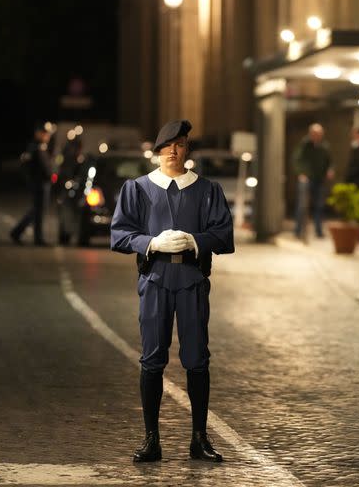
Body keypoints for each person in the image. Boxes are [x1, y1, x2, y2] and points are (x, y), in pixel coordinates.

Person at [110, 119, 234, 463]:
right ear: (158, 150)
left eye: (179, 145)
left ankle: (199, 438)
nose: (172, 152)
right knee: (152, 359)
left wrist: (197, 240)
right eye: (166, 146)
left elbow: (224, 236)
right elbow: (119, 235)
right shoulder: (137, 189)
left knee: (197, 360)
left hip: (192, 279)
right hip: (155, 279)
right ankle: (152, 439)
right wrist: (150, 242)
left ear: (187, 149)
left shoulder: (207, 190)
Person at [10, 123, 53, 246]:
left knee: (37, 211)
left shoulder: (40, 147)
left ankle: (20, 233)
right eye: (45, 133)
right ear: (38, 133)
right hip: (39, 183)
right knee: (37, 211)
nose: (47, 136)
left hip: (41, 183)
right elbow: (32, 166)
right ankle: (32, 236)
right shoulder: (35, 147)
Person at [293, 123, 334, 238]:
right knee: (302, 205)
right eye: (315, 134)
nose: (318, 136)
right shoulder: (304, 145)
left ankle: (319, 230)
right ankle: (298, 230)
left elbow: (329, 161)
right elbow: (297, 160)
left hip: (319, 179)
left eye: (320, 134)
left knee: (320, 205)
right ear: (311, 133)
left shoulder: (324, 146)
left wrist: (330, 170)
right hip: (306, 178)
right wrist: (301, 173)